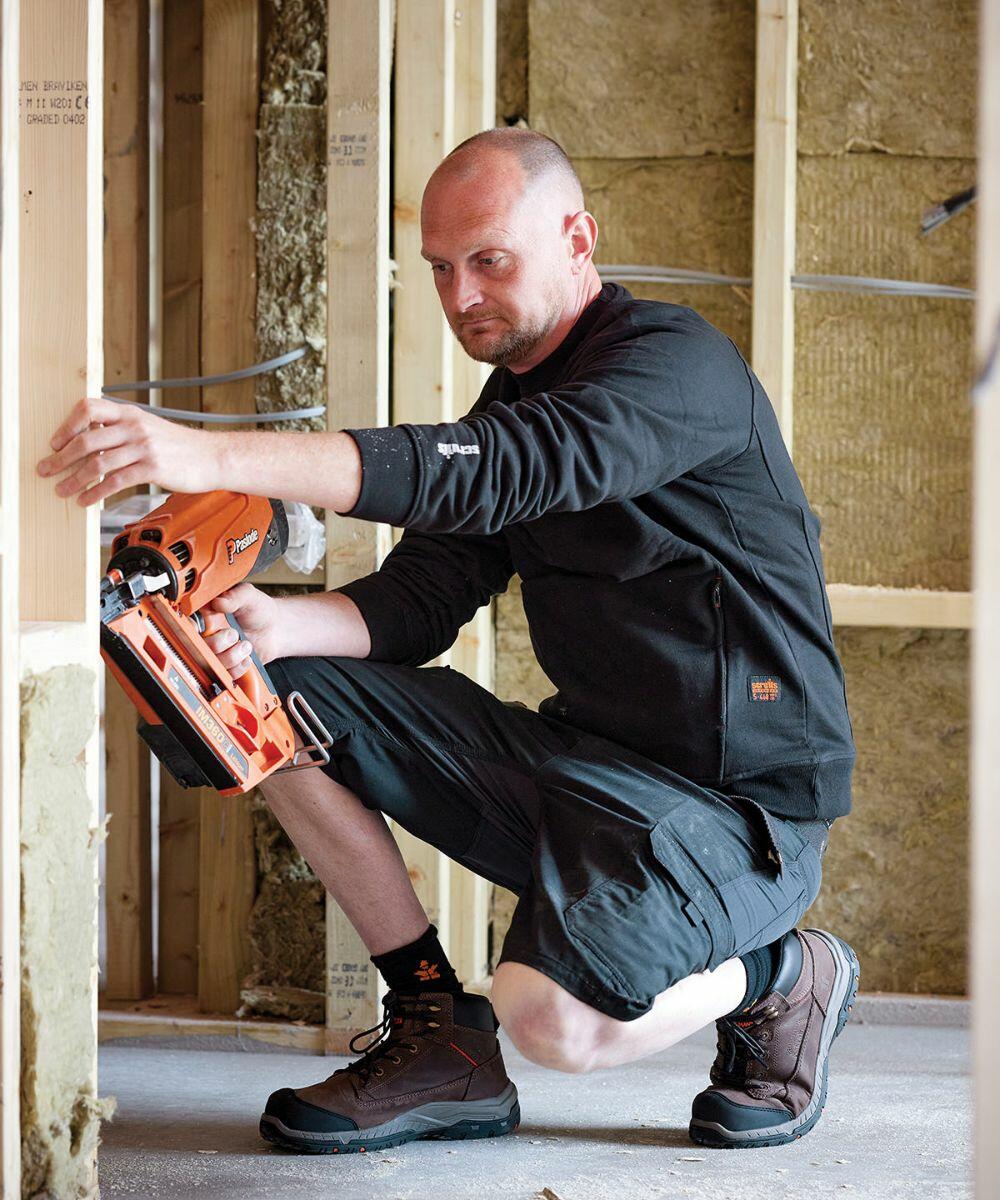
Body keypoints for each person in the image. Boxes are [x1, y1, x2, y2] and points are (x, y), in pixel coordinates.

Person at [39, 126, 860, 1154]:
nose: (462, 293)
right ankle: (437, 1035)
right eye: (439, 267)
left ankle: (786, 974)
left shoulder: (675, 369)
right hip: (583, 768)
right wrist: (274, 626)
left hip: (740, 812)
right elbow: (425, 595)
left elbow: (501, 471)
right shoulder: (515, 396)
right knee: (257, 690)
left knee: (551, 1018)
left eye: (489, 261)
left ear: (576, 238)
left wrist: (199, 453)